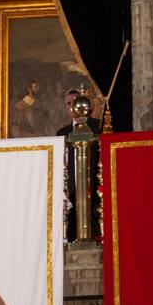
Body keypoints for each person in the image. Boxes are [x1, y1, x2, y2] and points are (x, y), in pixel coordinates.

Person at [56, 88, 102, 242]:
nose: (72, 106)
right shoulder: (62, 133)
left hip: (95, 185)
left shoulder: (98, 126)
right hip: (71, 187)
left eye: (75, 101)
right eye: (69, 103)